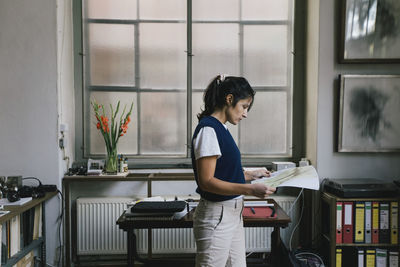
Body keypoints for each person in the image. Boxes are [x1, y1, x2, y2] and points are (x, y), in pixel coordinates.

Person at [191, 75, 276, 267]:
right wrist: (251, 190)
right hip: (217, 216)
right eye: (244, 106)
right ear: (229, 99)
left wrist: (251, 174)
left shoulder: (222, 129)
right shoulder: (208, 130)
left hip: (232, 214)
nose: (245, 113)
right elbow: (206, 181)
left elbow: (224, 172)